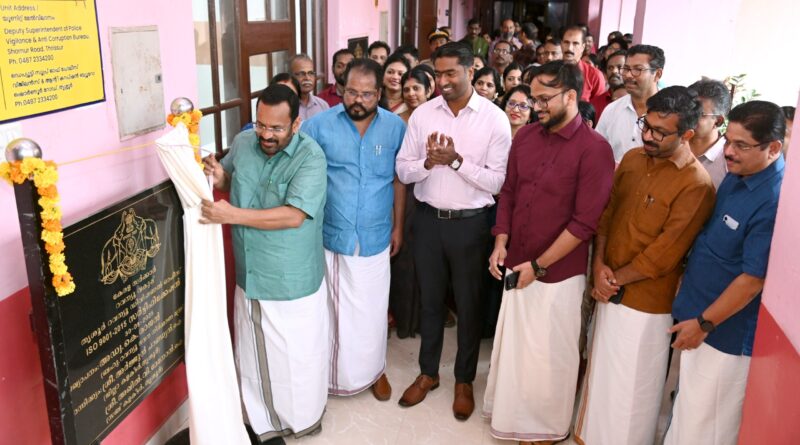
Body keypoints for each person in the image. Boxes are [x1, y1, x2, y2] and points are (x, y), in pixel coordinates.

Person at [575, 86, 716, 445]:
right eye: (646, 126)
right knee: (602, 375)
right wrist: (599, 266)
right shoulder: (633, 159)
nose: (648, 136)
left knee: (632, 389)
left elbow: (664, 254)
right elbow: (607, 216)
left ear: (687, 134)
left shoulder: (696, 184)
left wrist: (612, 280)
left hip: (647, 304)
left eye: (660, 132)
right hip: (607, 286)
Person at [484, 60, 614, 445]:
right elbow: (510, 191)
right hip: (516, 259)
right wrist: (501, 241)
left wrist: (538, 266)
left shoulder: (595, 149)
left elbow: (584, 223)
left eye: (544, 99)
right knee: (517, 349)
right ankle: (512, 415)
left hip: (558, 273)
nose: (535, 106)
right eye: (533, 98)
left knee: (549, 354)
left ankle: (544, 427)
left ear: (571, 96)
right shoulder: (525, 137)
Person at [202, 84, 328, 445]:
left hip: (291, 274)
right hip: (252, 270)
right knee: (254, 356)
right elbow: (231, 179)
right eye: (261, 125)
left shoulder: (311, 157)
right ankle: (260, 420)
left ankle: (301, 419)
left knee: (296, 358)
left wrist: (231, 215)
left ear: (296, 124)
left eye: (276, 128)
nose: (266, 135)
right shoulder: (244, 142)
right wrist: (218, 174)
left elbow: (293, 215)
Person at [396, 42, 511, 421]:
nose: (442, 81)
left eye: (451, 73)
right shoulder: (423, 114)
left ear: (470, 72)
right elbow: (403, 170)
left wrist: (457, 161)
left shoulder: (494, 119)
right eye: (438, 73)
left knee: (469, 304)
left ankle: (464, 380)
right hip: (428, 221)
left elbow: (497, 182)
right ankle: (428, 373)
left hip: (472, 226)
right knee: (430, 302)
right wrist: (429, 162)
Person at [665, 100, 786, 445]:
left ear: (773, 148)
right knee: (687, 415)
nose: (728, 152)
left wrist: (704, 323)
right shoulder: (738, 175)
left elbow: (752, 280)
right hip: (697, 317)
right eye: (728, 141)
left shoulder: (773, 200)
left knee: (706, 427)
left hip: (723, 333)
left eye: (741, 145)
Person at [302, 57, 407, 403]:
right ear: (341, 89)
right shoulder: (318, 126)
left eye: (366, 94)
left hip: (377, 234)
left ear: (379, 92)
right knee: (336, 314)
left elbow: (398, 180)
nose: (357, 100)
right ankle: (332, 376)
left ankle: (375, 370)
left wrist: (398, 227)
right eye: (351, 92)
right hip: (334, 236)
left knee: (373, 310)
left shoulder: (395, 128)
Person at [390, 67, 433, 339]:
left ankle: (424, 320)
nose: (411, 93)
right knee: (404, 259)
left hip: (432, 193)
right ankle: (404, 320)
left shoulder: (439, 118)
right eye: (407, 89)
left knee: (427, 262)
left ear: (429, 90)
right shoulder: (397, 122)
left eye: (417, 88)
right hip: (404, 192)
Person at [596, 44, 664, 162]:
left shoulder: (670, 113)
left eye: (637, 69)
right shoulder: (611, 110)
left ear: (657, 74)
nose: (628, 75)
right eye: (626, 69)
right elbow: (596, 150)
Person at [688, 79, 731, 188]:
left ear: (718, 121)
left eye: (698, 113)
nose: (687, 117)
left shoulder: (729, 161)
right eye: (686, 110)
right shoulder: (673, 144)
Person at [561, 25, 605, 102]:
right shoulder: (550, 71)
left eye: (575, 43)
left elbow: (598, 106)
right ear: (561, 44)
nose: (569, 48)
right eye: (566, 42)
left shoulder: (595, 76)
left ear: (583, 47)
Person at [290, 54, 329, 120]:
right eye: (301, 74)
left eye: (310, 73)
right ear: (291, 77)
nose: (307, 78)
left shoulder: (323, 105)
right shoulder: (284, 106)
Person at [590, 49, 626, 120]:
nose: (614, 71)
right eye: (610, 68)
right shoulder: (595, 103)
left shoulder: (638, 103)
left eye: (619, 67)